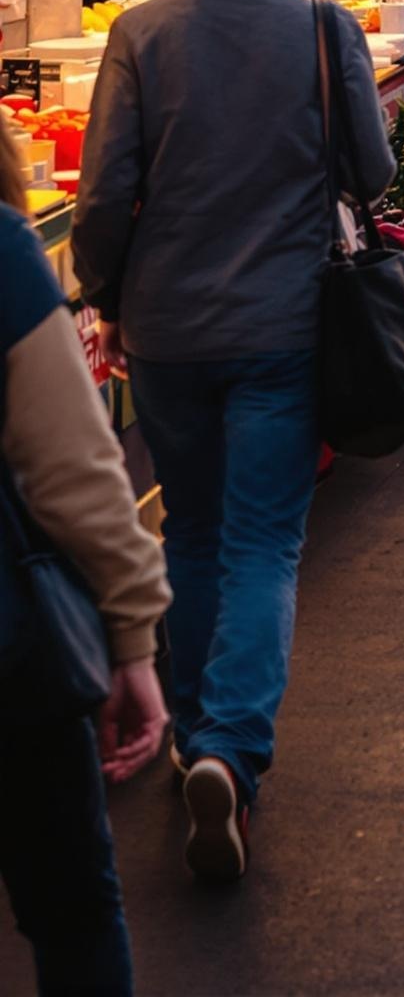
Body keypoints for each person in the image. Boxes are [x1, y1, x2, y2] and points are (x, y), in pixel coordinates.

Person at [72, 0, 393, 883]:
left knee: (195, 528)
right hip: (284, 321)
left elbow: (103, 193)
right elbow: (377, 170)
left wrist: (108, 300)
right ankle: (230, 749)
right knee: (264, 539)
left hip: (166, 327)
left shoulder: (140, 33)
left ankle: (194, 727)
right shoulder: (319, 28)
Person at [0, 115, 169, 989]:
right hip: (15, 662)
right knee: (73, 912)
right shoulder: (2, 246)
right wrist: (132, 636)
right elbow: (73, 465)